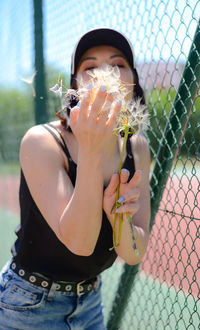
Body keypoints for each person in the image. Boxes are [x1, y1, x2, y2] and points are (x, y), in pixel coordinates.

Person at [0, 28, 151, 329]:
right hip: (27, 304)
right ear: (74, 89)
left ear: (133, 83)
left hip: (91, 302)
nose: (105, 73)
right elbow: (79, 243)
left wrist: (118, 217)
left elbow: (134, 253)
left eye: (118, 64)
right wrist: (92, 152)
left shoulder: (137, 148)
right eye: (90, 67)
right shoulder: (41, 142)